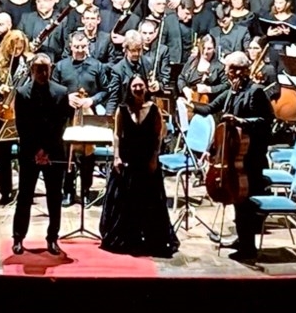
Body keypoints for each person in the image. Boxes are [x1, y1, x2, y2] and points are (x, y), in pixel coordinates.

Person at [188, 51, 275, 261]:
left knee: (245, 202)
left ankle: (249, 249)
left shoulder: (256, 92)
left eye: (230, 68)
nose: (227, 72)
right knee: (237, 199)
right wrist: (187, 105)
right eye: (228, 68)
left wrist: (242, 122)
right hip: (233, 156)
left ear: (241, 70)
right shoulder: (231, 92)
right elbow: (209, 108)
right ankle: (242, 240)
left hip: (250, 157)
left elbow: (267, 121)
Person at [100, 74, 179, 257]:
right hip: (127, 160)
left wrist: (154, 158)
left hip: (146, 161)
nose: (137, 89)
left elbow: (158, 137)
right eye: (134, 86)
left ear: (146, 88)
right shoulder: (122, 109)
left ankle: (150, 238)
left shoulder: (154, 110)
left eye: (140, 86)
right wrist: (116, 157)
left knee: (149, 202)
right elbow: (118, 135)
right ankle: (128, 238)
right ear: (129, 88)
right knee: (125, 202)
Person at [11, 53, 72, 256]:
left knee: (54, 197)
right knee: (25, 196)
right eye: (38, 69)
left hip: (53, 151)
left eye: (46, 69)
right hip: (30, 152)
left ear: (51, 69)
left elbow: (60, 124)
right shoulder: (21, 93)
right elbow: (22, 126)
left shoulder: (61, 92)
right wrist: (37, 150)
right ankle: (18, 237)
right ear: (31, 70)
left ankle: (52, 238)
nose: (42, 73)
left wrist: (45, 150)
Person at [52, 31, 109, 207]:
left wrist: (90, 100)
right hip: (66, 115)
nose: (79, 50)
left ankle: (85, 191)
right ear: (70, 46)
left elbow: (105, 90)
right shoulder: (61, 66)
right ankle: (67, 191)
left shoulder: (97, 66)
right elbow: (53, 89)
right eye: (76, 47)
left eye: (83, 47)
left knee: (87, 155)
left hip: (87, 113)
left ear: (88, 46)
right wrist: (66, 98)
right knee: (66, 154)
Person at [0, 30, 33, 203]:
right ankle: (5, 191)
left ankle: (25, 189)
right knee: (4, 154)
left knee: (26, 154)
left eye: (21, 48)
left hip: (24, 112)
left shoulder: (28, 61)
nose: (18, 51)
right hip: (3, 111)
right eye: (14, 48)